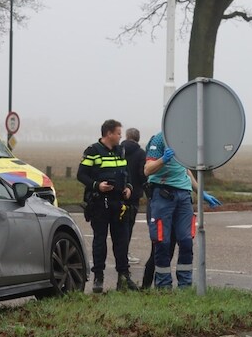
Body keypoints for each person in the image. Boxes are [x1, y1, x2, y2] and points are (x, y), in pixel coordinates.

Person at [143, 132, 221, 289]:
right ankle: (163, 286)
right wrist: (163, 160)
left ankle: (185, 285)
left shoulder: (185, 137)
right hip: (163, 194)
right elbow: (148, 169)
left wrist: (201, 192)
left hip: (184, 196)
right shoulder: (159, 139)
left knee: (186, 242)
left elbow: (185, 170)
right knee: (162, 242)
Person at [77, 119, 137, 293]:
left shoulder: (121, 151)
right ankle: (98, 278)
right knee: (100, 241)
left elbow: (128, 175)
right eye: (118, 133)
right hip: (99, 204)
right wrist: (97, 185)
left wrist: (128, 188)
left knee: (122, 241)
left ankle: (124, 278)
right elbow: (81, 175)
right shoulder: (92, 151)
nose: (120, 136)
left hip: (119, 204)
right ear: (109, 133)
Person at [120, 128, 147, 270]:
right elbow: (143, 174)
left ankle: (120, 253)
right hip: (134, 194)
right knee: (129, 225)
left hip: (118, 193)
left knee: (118, 225)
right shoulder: (141, 153)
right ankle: (125, 253)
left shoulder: (118, 150)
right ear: (138, 138)